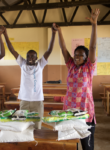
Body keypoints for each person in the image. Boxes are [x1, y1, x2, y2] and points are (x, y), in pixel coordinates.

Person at [53, 9, 100, 150]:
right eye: (76, 54)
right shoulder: (71, 66)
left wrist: (94, 24)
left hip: (86, 112)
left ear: (86, 58)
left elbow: (92, 46)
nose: (77, 57)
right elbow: (63, 48)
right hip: (69, 110)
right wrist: (59, 31)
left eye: (81, 55)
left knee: (87, 146)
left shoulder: (89, 68)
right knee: (70, 145)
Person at [2, 24, 56, 129]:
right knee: (23, 126)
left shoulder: (40, 65)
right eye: (28, 56)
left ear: (36, 58)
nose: (30, 58)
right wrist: (5, 34)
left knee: (37, 127)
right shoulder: (23, 64)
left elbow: (49, 50)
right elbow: (12, 49)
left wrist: (53, 34)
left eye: (32, 56)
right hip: (24, 101)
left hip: (37, 101)